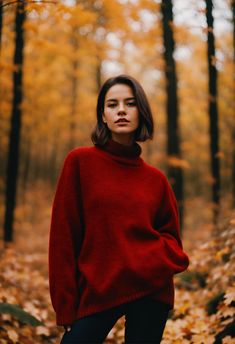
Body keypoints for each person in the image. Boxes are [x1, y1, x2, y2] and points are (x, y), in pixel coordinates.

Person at [48, 74, 189, 343]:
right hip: (97, 291)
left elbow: (172, 241)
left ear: (141, 112)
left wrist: (147, 258)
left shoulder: (156, 180)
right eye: (112, 104)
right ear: (103, 115)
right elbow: (63, 239)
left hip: (151, 290)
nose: (121, 110)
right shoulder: (79, 163)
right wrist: (65, 308)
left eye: (130, 103)